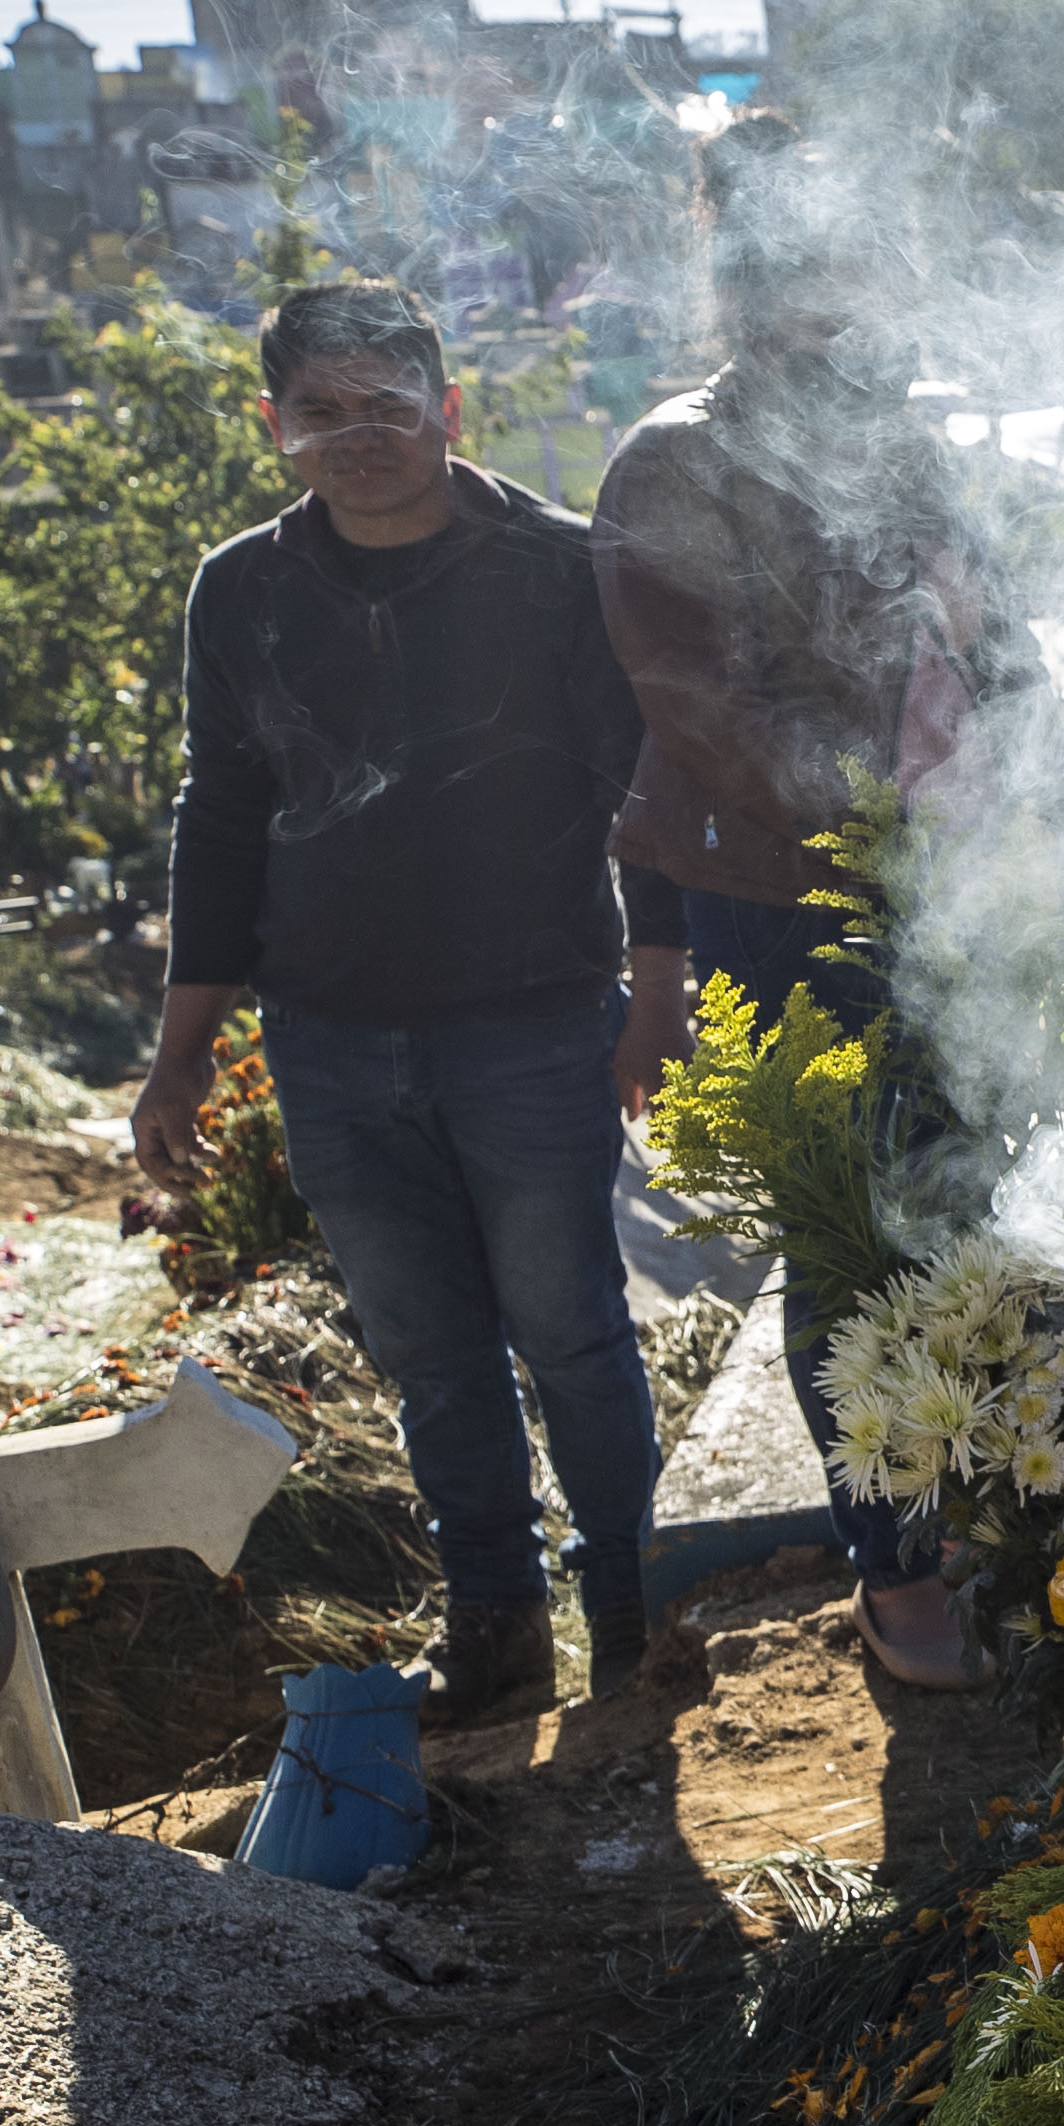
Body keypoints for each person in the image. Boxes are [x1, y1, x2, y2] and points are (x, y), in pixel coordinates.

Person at [141, 276, 683, 1728]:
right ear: (274, 428)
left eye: (388, 405)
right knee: (429, 1354)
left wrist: (658, 993)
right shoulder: (242, 590)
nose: (357, 437)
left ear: (449, 407)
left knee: (572, 1330)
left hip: (532, 1025)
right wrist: (181, 1054)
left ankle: (636, 1615)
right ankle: (499, 1634)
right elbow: (222, 814)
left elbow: (651, 788)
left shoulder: (563, 568)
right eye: (321, 413)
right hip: (325, 1039)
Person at [594, 127, 1021, 1693]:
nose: (851, 319)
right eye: (816, 289)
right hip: (791, 900)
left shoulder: (918, 446)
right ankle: (894, 1565)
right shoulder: (676, 465)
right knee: (853, 1238)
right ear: (758, 296)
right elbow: (709, 712)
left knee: (974, 1210)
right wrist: (894, 815)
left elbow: (1004, 643)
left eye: (870, 283)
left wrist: (1026, 762)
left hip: (960, 892)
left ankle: (988, 1508)